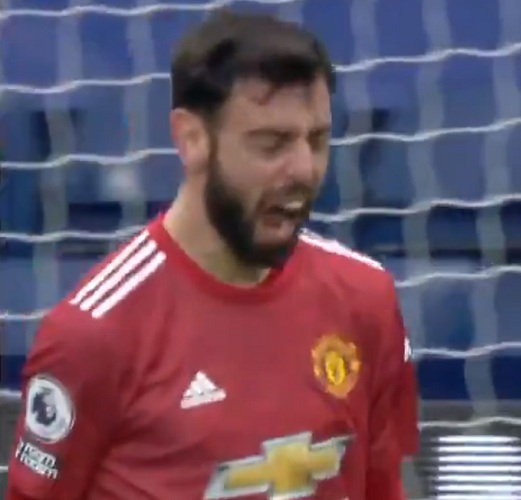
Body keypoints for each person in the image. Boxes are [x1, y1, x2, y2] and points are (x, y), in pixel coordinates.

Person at [7, 10, 418, 500]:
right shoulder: (95, 334)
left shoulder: (365, 299)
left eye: (317, 140)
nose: (304, 170)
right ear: (192, 139)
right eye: (272, 144)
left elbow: (383, 486)